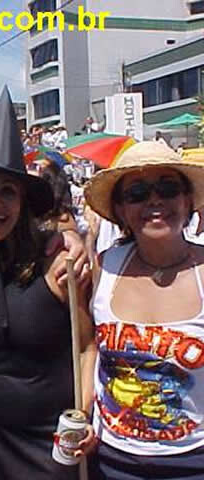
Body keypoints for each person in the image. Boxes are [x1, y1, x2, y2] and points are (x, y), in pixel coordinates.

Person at [0, 87, 96, 480]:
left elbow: (86, 347)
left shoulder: (57, 264)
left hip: (53, 441)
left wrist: (84, 416)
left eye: (7, 192)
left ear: (23, 203)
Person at [83, 141, 204, 479]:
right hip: (112, 461)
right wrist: (82, 413)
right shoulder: (103, 267)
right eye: (137, 193)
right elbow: (87, 346)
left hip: (194, 462)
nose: (154, 200)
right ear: (121, 210)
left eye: (168, 188)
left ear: (187, 201)